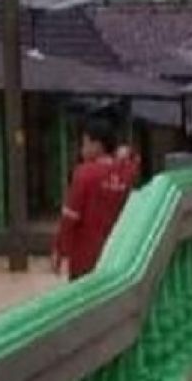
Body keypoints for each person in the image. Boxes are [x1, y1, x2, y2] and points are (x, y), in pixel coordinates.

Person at [52, 118, 139, 281]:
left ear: (97, 145)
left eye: (85, 143)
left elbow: (69, 217)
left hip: (85, 259)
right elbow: (134, 159)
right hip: (117, 254)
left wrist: (60, 249)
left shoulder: (84, 173)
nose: (82, 149)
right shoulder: (126, 173)